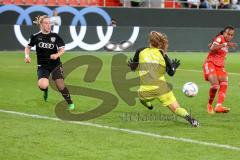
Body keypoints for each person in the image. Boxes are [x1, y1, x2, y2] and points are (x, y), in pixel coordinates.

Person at [128, 31, 199, 127]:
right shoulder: (162, 54)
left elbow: (133, 68)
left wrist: (131, 65)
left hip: (146, 90)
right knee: (176, 108)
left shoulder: (140, 51)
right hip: (162, 89)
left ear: (149, 40)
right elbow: (171, 73)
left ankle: (149, 106)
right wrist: (174, 66)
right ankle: (192, 120)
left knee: (142, 100)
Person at [24, 15, 75, 110]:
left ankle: (70, 103)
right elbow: (28, 47)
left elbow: (62, 49)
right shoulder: (35, 36)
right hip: (43, 66)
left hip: (55, 64)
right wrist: (27, 56)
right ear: (41, 25)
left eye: (49, 23)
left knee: (60, 85)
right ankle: (45, 90)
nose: (49, 25)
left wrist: (56, 55)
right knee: (43, 85)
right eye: (46, 23)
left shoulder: (55, 36)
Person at [203, 26, 236, 114]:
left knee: (224, 83)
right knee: (215, 86)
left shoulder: (226, 41)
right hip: (211, 63)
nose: (229, 36)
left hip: (220, 66)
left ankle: (219, 106)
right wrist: (225, 44)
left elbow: (214, 46)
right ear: (223, 33)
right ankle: (209, 105)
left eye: (231, 35)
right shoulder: (220, 38)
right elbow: (212, 48)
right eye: (228, 34)